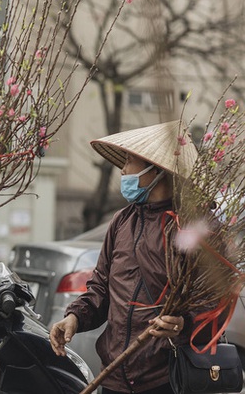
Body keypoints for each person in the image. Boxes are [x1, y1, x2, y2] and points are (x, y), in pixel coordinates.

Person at [49, 121, 198, 394]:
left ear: (157, 170)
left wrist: (182, 324)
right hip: (114, 376)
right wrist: (75, 318)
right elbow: (100, 289)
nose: (123, 170)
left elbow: (209, 302)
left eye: (130, 161)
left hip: (166, 378)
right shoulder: (121, 221)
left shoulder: (188, 227)